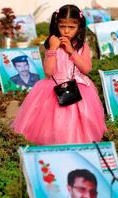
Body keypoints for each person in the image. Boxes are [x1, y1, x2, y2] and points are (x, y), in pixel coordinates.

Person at [11, 4, 107, 145]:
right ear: (57, 25)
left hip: (79, 90)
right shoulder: (52, 45)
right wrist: (54, 49)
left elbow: (86, 69)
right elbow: (49, 72)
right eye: (63, 26)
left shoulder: (82, 46)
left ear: (79, 27)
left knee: (80, 122)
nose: (66, 31)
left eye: (71, 27)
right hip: (54, 89)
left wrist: (71, 51)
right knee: (55, 121)